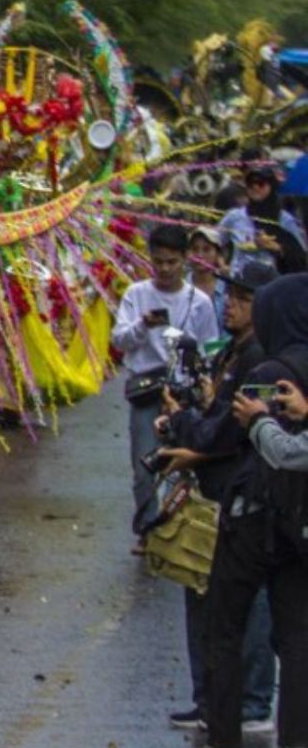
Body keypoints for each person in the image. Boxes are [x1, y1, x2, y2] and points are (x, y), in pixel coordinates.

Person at [167, 273, 308, 748]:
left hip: (254, 515)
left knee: (222, 623)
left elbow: (221, 432)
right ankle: (296, 747)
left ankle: (221, 743)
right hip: (300, 521)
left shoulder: (269, 370)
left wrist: (180, 421)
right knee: (296, 635)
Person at [157, 260, 278, 733]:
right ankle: (211, 697)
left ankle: (248, 701)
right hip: (215, 488)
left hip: (241, 494)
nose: (232, 305)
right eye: (232, 296)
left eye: (244, 299)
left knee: (246, 603)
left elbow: (229, 433)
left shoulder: (260, 359)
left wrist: (189, 438)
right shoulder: (236, 350)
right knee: (204, 593)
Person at [112, 224, 218, 540]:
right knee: (145, 465)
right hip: (146, 390)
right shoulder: (137, 294)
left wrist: (201, 377)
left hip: (184, 392)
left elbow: (210, 346)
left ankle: (176, 531)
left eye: (172, 261)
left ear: (184, 259)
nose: (165, 269)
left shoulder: (199, 301)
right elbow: (119, 340)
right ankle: (147, 530)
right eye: (159, 261)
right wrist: (143, 325)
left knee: (183, 464)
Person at [219, 164, 306, 275]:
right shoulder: (235, 216)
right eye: (251, 183)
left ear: (271, 186)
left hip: (273, 285)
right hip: (239, 285)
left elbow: (301, 255)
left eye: (261, 183)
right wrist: (222, 265)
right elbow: (214, 241)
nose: (255, 187)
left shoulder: (284, 220)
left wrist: (278, 248)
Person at [188, 225, 227, 332]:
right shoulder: (181, 287)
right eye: (195, 249)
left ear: (218, 254)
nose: (200, 255)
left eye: (206, 249)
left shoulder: (227, 289)